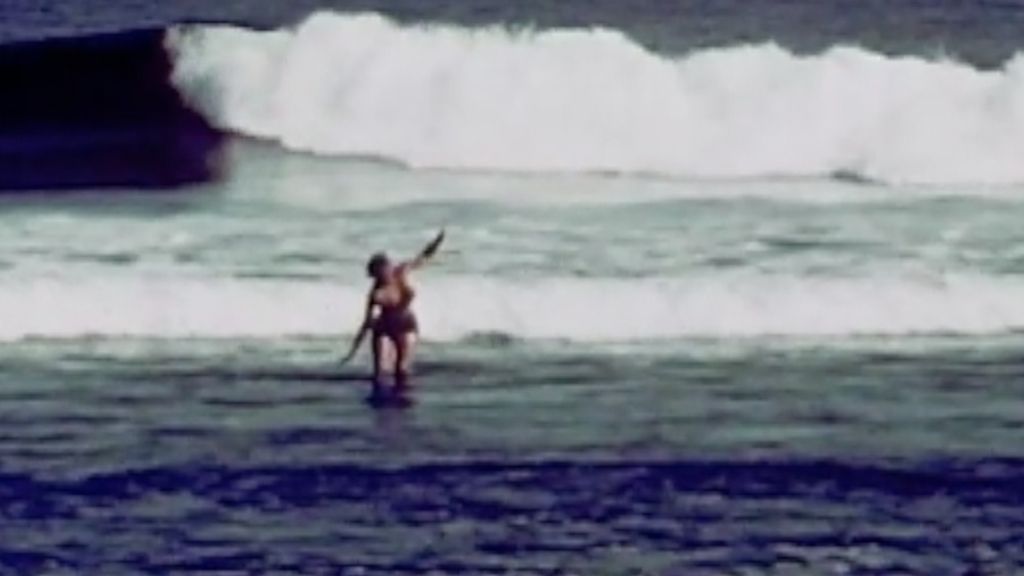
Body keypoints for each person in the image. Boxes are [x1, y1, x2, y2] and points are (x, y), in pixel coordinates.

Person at [341, 230, 445, 396]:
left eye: (387, 269)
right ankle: (379, 403)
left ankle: (402, 402)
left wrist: (436, 244)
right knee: (379, 370)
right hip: (384, 325)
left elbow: (422, 259)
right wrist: (352, 352)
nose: (386, 274)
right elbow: (366, 323)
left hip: (405, 323)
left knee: (401, 369)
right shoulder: (376, 293)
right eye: (380, 274)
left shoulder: (401, 271)